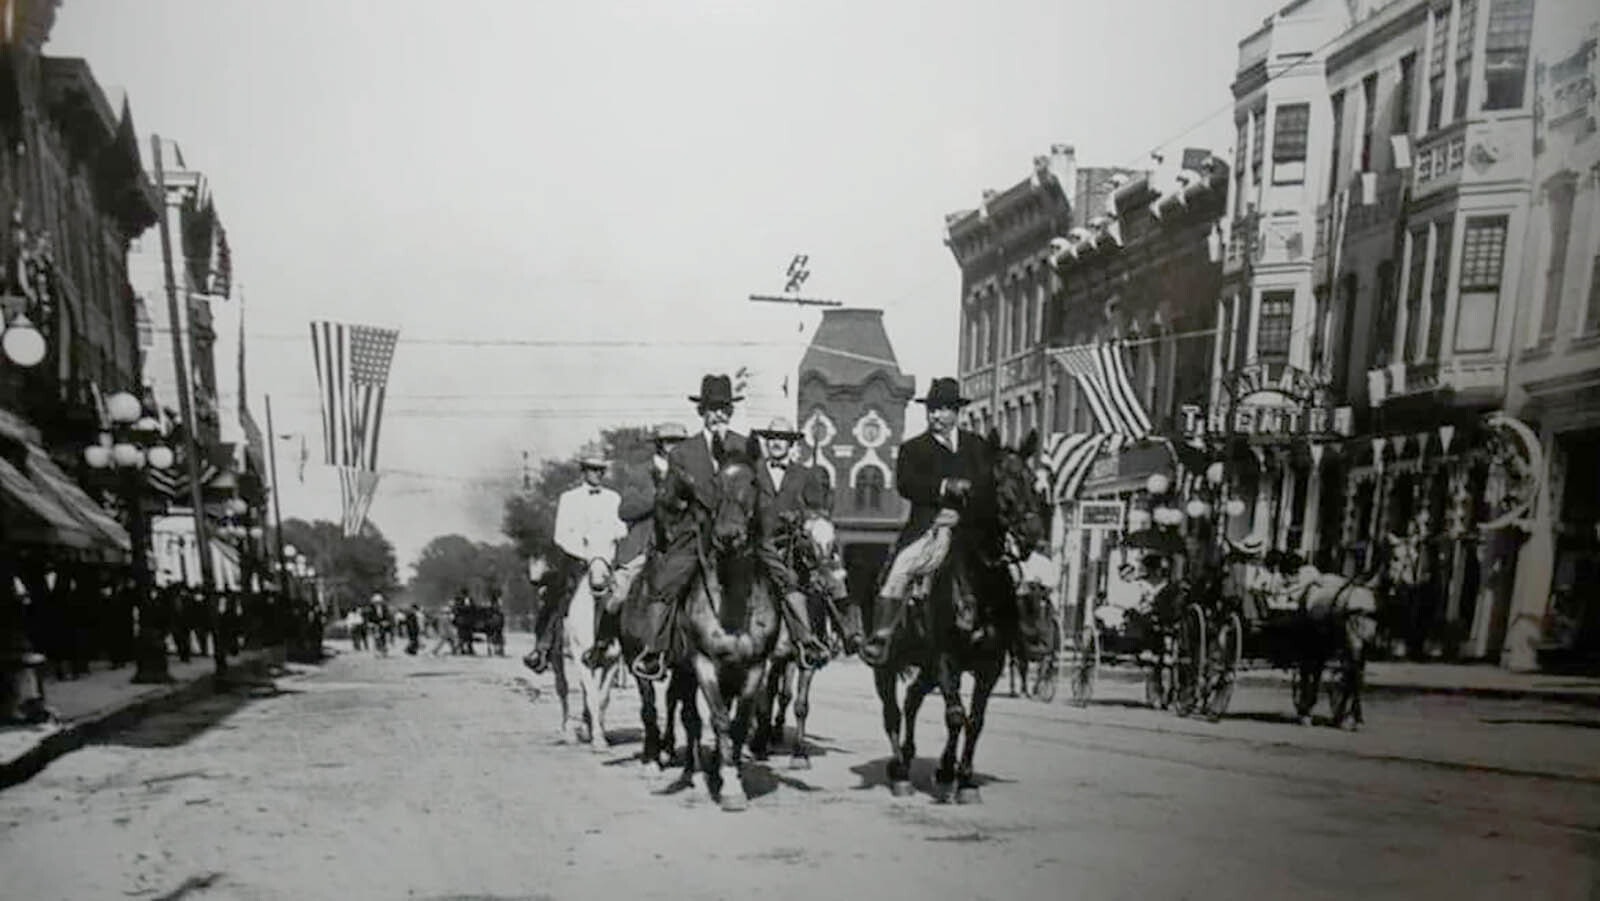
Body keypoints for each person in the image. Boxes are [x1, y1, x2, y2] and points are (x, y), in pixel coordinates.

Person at [861, 377, 1008, 665]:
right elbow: (906, 484)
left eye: (942, 409)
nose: (935, 415)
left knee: (1007, 570)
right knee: (900, 568)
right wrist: (944, 486)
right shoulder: (913, 448)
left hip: (970, 528)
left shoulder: (976, 447)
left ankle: (1015, 632)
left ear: (956, 412)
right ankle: (882, 634)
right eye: (931, 410)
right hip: (931, 528)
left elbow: (990, 485)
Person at [630, 373, 766, 682]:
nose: (718, 414)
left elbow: (763, 492)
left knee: (781, 577)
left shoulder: (746, 447)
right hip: (696, 535)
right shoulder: (683, 453)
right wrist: (681, 512)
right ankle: (655, 650)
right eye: (712, 408)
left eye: (724, 408)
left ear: (730, 412)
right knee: (666, 583)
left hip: (741, 534)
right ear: (701, 412)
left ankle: (797, 641)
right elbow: (667, 502)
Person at [750, 416, 851, 666]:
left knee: (821, 579)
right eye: (772, 438)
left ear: (790, 443)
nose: (776, 443)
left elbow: (817, 510)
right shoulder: (752, 472)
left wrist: (801, 517)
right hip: (755, 544)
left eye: (782, 439)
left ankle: (828, 634)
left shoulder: (804, 475)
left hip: (790, 544)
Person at [522, 456, 626, 673]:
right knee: (557, 595)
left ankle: (630, 646)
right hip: (577, 557)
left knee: (626, 592)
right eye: (592, 470)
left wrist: (608, 543)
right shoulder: (569, 498)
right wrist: (585, 552)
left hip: (606, 557)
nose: (597, 474)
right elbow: (561, 534)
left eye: (601, 470)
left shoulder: (613, 498)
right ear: (583, 472)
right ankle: (543, 647)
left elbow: (621, 528)